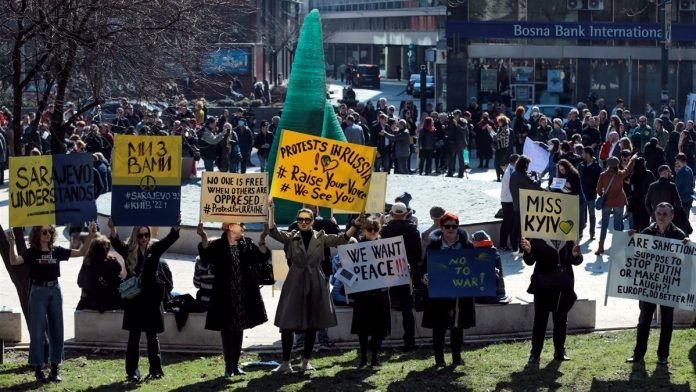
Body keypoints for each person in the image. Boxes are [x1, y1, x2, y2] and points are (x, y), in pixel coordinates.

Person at [268, 203, 362, 374]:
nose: (303, 222)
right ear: (297, 221)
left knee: (313, 322)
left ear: (312, 221)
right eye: (300, 219)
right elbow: (272, 231)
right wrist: (271, 210)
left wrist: (355, 225)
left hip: (315, 280)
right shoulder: (291, 236)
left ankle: (305, 362)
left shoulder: (321, 237)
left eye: (307, 219)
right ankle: (286, 363)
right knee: (287, 322)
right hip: (295, 280)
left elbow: (342, 239)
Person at [8, 223, 97, 382]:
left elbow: (82, 252)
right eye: (44, 232)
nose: (48, 234)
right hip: (37, 291)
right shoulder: (32, 252)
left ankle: (55, 368)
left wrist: (90, 235)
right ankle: (38, 368)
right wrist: (12, 244)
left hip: (55, 290)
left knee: (57, 328)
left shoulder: (57, 251)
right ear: (37, 235)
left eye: (50, 231)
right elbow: (14, 261)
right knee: (37, 330)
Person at [108, 216, 181, 382]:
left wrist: (176, 226)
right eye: (140, 235)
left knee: (152, 336)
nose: (144, 239)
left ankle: (156, 370)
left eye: (146, 235)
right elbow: (116, 241)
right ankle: (133, 372)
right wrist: (112, 229)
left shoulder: (154, 249)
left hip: (151, 299)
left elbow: (169, 239)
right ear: (135, 236)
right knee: (133, 337)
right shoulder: (128, 250)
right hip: (134, 299)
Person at [197, 221, 270, 377]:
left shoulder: (246, 243)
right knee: (227, 329)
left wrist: (263, 238)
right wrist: (203, 236)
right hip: (224, 294)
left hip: (243, 294)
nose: (243, 228)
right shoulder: (218, 245)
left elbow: (262, 256)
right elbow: (205, 255)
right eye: (240, 225)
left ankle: (235, 365)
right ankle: (228, 366)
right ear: (230, 227)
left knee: (239, 328)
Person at [626, 202, 688, 367]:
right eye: (659, 213)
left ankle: (663, 356)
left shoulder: (679, 235)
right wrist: (630, 239)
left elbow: (687, 263)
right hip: (649, 285)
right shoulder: (646, 232)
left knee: (667, 322)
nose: (661, 217)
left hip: (668, 286)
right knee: (644, 320)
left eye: (665, 214)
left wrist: (687, 247)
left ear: (672, 216)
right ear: (654, 214)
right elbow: (635, 257)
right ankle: (638, 354)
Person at [420, 212, 476, 367]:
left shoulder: (467, 245)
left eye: (454, 226)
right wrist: (424, 277)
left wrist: (490, 272)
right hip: (439, 294)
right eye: (448, 226)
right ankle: (439, 360)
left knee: (457, 327)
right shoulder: (433, 247)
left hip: (459, 295)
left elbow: (475, 267)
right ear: (441, 227)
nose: (451, 229)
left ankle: (457, 358)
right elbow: (423, 268)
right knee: (439, 328)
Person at [520, 236, 583, 365]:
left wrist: (576, 256)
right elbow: (530, 261)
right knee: (540, 320)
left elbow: (575, 261)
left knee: (561, 319)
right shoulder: (537, 238)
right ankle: (535, 354)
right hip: (542, 285)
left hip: (563, 286)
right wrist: (528, 251)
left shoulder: (569, 237)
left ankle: (559, 351)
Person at [349, 217, 391, 368]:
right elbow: (346, 273)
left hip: (380, 293)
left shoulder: (386, 247)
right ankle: (363, 358)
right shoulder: (356, 248)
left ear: (379, 230)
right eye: (369, 229)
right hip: (363, 294)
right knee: (363, 329)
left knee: (378, 328)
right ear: (363, 230)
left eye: (375, 229)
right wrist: (344, 266)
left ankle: (374, 358)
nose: (372, 232)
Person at [380, 202, 421, 350]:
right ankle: (409, 341)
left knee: (383, 305)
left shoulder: (384, 230)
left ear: (392, 214)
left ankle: (379, 339)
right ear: (406, 214)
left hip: (387, 271)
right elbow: (418, 254)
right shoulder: (413, 230)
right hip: (405, 271)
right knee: (407, 309)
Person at [595, 154, 636, 255]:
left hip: (606, 203)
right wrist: (632, 160)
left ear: (608, 164)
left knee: (604, 225)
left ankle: (600, 247)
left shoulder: (603, 175)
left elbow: (599, 191)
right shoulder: (620, 174)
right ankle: (616, 248)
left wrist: (604, 195)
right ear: (617, 164)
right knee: (617, 226)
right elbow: (628, 169)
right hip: (619, 202)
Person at [76, 234, 124, 313]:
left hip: (91, 303)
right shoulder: (113, 263)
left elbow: (80, 283)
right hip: (111, 304)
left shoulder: (87, 263)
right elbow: (118, 283)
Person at [509, 155, 542, 255]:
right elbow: (535, 186)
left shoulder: (514, 174)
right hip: (524, 206)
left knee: (516, 228)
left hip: (516, 204)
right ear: (525, 164)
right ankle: (521, 249)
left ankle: (515, 248)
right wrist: (538, 177)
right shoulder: (523, 176)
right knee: (523, 230)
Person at [578, 147, 601, 240]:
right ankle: (580, 232)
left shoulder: (597, 167)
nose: (582, 155)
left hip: (591, 194)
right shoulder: (581, 164)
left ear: (588, 154)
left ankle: (592, 233)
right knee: (581, 215)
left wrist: (598, 190)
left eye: (583, 153)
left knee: (592, 215)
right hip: (581, 193)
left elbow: (599, 181)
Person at [499, 154, 520, 251]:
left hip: (507, 199)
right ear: (516, 161)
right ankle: (503, 244)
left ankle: (511, 243)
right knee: (507, 224)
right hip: (508, 200)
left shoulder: (511, 169)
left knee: (510, 223)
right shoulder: (511, 171)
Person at [674, 153, 694, 218]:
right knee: (686, 218)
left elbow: (676, 187)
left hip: (682, 199)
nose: (676, 163)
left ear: (679, 161)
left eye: (676, 161)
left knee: (680, 220)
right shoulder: (690, 169)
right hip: (689, 198)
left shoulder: (680, 172)